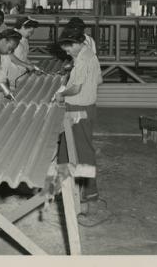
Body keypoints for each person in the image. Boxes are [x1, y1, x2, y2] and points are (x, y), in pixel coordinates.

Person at [55, 29, 103, 202]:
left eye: (68, 49)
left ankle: (91, 191)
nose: (67, 53)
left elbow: (76, 88)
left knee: (84, 152)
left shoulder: (83, 60)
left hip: (79, 111)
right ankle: (61, 186)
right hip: (83, 107)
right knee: (64, 149)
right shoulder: (91, 55)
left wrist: (61, 94)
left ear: (76, 44)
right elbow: (99, 80)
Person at [8, 16, 40, 84]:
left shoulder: (24, 39)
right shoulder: (12, 38)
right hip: (11, 75)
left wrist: (30, 64)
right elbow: (9, 56)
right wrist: (27, 65)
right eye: (29, 32)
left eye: (31, 33)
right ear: (22, 27)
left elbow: (23, 56)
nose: (30, 34)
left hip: (20, 74)